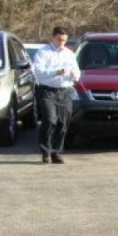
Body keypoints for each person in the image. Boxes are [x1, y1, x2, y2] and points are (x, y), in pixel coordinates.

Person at [33, 27, 80, 164]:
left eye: (64, 40)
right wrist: (55, 72)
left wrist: (75, 75)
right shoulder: (43, 52)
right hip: (47, 90)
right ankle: (46, 151)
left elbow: (77, 71)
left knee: (63, 122)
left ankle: (56, 152)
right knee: (49, 120)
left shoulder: (69, 54)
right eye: (59, 39)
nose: (61, 43)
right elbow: (39, 72)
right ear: (53, 37)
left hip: (64, 90)